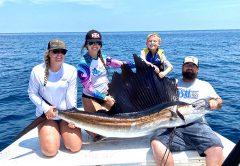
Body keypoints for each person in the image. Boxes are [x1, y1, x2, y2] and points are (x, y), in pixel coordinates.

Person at [151, 56, 224, 166]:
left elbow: (219, 102)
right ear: (182, 67)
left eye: (193, 66)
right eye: (187, 65)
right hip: (170, 125)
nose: (190, 67)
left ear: (197, 69)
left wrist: (216, 102)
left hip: (197, 124)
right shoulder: (172, 83)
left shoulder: (204, 85)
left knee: (216, 148)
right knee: (156, 143)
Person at [28, 39, 82, 157]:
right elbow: (31, 93)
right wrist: (46, 107)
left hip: (65, 115)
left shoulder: (71, 70)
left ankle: (61, 130)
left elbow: (71, 97)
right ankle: (50, 131)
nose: (59, 54)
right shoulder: (37, 71)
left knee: (75, 147)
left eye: (62, 51)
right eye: (55, 51)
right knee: (50, 151)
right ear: (49, 53)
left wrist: (72, 117)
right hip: (46, 116)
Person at [77, 29, 134, 140]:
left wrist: (139, 64)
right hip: (91, 98)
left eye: (98, 42)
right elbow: (88, 88)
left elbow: (121, 64)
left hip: (106, 96)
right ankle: (86, 125)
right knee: (99, 133)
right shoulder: (83, 63)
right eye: (91, 42)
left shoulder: (104, 58)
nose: (95, 45)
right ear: (86, 45)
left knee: (123, 117)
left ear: (101, 45)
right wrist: (105, 98)